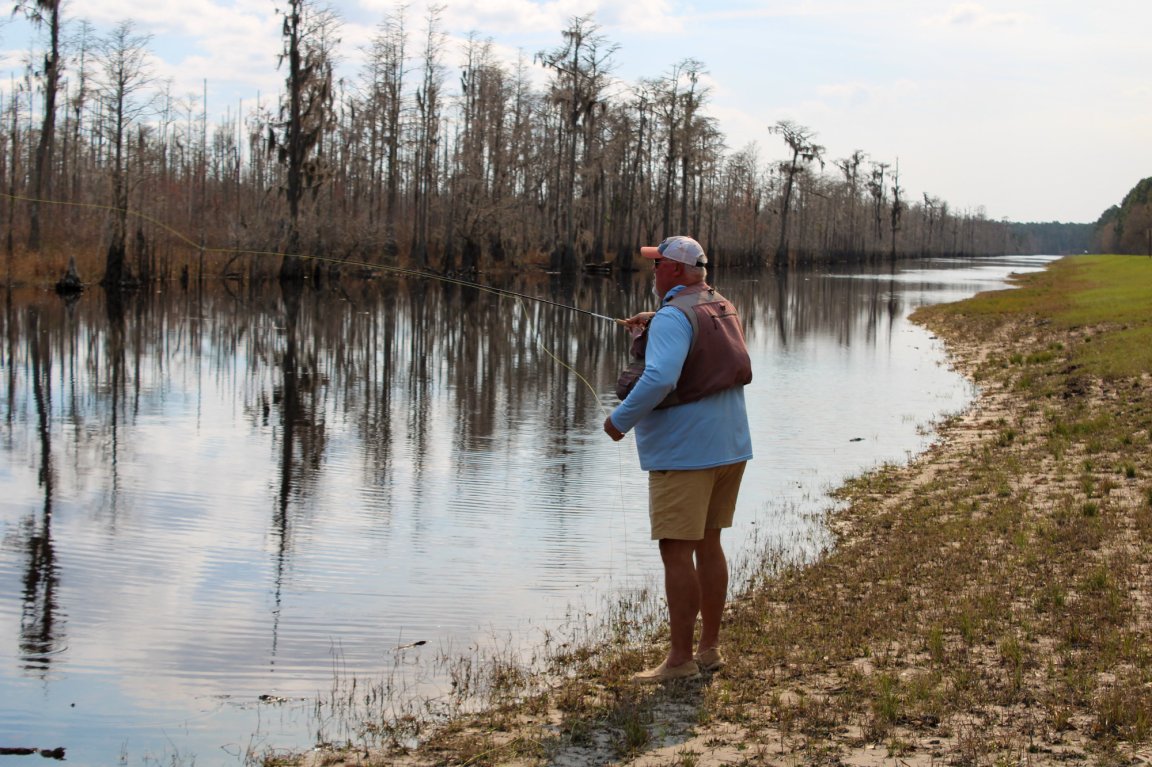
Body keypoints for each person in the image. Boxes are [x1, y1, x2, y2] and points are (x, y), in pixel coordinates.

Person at [604, 235, 753, 683]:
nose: (652, 271)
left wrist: (619, 421)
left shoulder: (675, 316)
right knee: (709, 545)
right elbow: (700, 350)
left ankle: (679, 661)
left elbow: (660, 378)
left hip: (687, 454)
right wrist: (656, 325)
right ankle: (708, 651)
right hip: (730, 447)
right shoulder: (719, 305)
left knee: (676, 551)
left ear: (672, 270)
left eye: (656, 265)